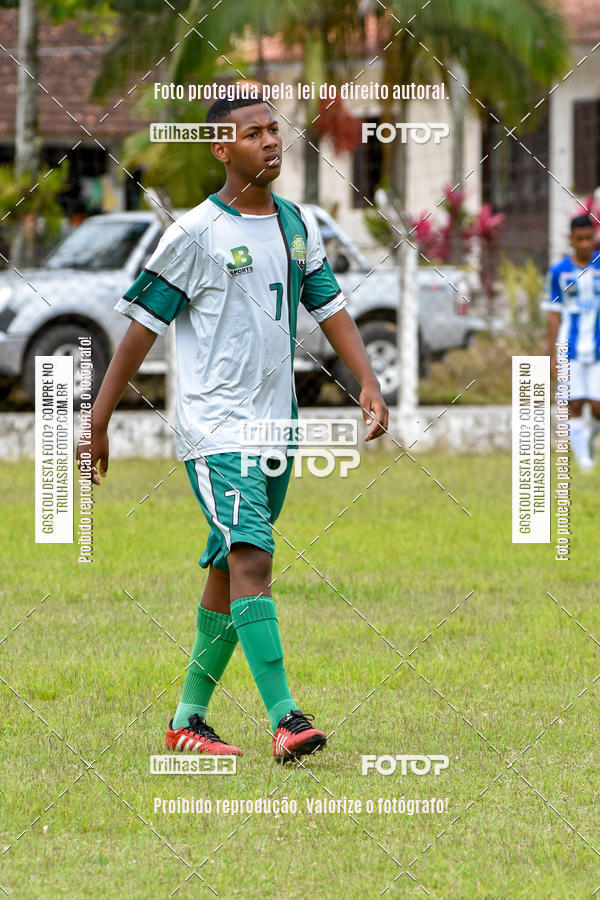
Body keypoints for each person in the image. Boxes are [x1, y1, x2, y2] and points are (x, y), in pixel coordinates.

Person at [77, 92, 388, 763]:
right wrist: (98, 419)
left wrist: (366, 379)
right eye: (254, 133)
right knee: (254, 557)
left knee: (229, 566)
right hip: (216, 430)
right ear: (221, 148)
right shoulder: (194, 235)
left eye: (275, 130)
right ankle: (286, 717)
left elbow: (328, 303)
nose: (271, 142)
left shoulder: (294, 224)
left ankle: (188, 718)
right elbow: (138, 335)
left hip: (278, 429)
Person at [544, 213, 600, 471]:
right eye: (580, 239)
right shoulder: (558, 272)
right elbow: (554, 313)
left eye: (590, 238)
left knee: (598, 407)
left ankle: (588, 439)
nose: (586, 244)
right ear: (571, 240)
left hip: (597, 347)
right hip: (571, 348)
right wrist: (551, 355)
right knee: (574, 403)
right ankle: (586, 464)